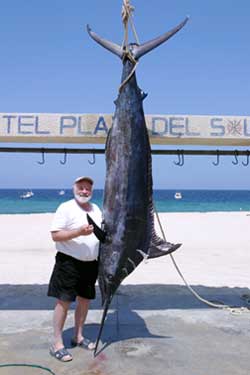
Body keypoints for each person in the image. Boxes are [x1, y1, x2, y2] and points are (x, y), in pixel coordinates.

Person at [47, 176, 102, 362]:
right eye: (81, 188)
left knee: (85, 300)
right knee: (63, 301)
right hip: (68, 263)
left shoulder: (96, 209)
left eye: (88, 188)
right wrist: (78, 232)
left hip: (91, 263)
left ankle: (78, 336)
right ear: (74, 188)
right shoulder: (65, 207)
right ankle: (57, 344)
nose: (84, 191)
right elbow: (55, 235)